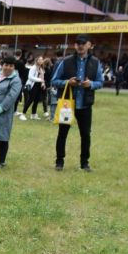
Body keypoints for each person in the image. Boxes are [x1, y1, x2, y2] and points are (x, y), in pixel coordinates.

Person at [51, 34, 104, 172]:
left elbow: (100, 82)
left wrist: (91, 84)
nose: (80, 45)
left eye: (83, 43)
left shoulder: (95, 62)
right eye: (77, 43)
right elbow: (54, 80)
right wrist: (67, 82)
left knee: (85, 134)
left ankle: (84, 163)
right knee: (62, 133)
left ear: (89, 45)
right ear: (75, 45)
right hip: (68, 103)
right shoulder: (66, 61)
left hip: (85, 104)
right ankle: (59, 162)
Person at [21, 56, 46, 120]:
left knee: (36, 100)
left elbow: (42, 78)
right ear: (37, 60)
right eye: (39, 59)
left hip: (39, 86)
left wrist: (42, 83)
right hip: (33, 86)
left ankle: (33, 114)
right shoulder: (33, 68)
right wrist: (39, 80)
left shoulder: (41, 68)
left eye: (42, 59)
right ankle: (23, 114)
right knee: (30, 100)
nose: (41, 61)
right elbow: (30, 77)